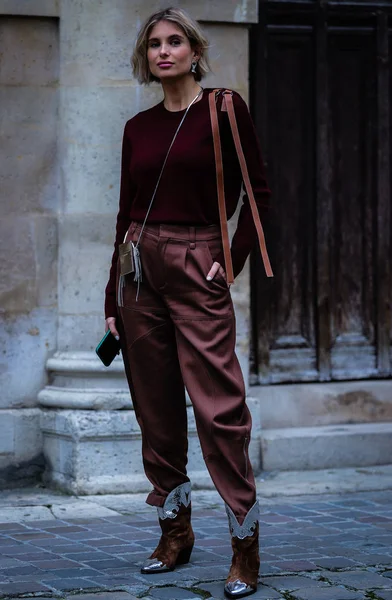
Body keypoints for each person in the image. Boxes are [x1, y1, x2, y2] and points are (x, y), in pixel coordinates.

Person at [104, 7, 271, 598]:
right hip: (139, 268)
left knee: (219, 407)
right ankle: (175, 533)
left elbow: (258, 193)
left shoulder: (224, 110)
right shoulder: (137, 128)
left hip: (199, 258)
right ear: (146, 57)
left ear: (195, 51)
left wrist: (234, 259)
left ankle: (244, 545)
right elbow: (124, 214)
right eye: (155, 44)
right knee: (155, 410)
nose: (165, 52)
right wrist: (111, 295)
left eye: (176, 42)